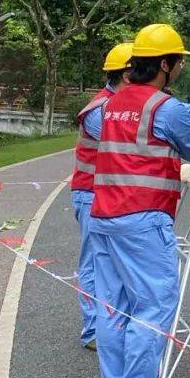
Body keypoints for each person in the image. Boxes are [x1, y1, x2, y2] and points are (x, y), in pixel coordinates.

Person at [88, 24, 190, 378]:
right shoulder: (162, 107)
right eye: (179, 62)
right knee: (154, 303)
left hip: (104, 216)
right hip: (142, 219)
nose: (180, 69)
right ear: (166, 64)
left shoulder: (112, 104)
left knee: (112, 306)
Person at [70, 42, 133, 350]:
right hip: (90, 195)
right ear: (127, 75)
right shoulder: (101, 111)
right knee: (95, 264)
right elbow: (130, 145)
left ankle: (110, 323)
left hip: (104, 195)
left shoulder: (122, 104)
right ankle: (93, 330)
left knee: (109, 264)